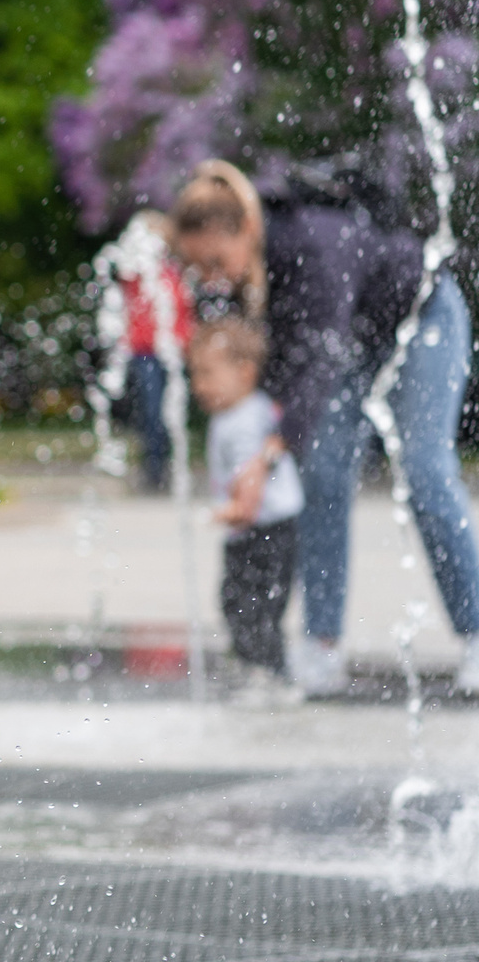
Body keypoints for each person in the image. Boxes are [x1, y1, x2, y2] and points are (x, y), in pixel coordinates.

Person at [171, 160, 479, 698]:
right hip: (356, 340)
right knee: (322, 477)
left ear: (246, 228)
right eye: (200, 268)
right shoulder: (249, 272)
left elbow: (317, 358)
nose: (213, 278)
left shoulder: (309, 244)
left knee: (424, 473)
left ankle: (475, 630)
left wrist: (268, 453)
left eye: (217, 261)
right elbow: (279, 367)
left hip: (422, 316)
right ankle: (322, 644)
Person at [189, 315, 302, 687]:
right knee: (241, 603)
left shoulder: (244, 420)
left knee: (255, 606)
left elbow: (248, 493)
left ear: (245, 373)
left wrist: (223, 513)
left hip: (267, 531)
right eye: (195, 374)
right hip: (258, 531)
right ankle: (257, 669)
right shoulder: (241, 412)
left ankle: (270, 676)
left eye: (208, 374)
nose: (198, 385)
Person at [117, 217, 192, 493]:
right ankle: (153, 468)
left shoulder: (175, 273)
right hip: (144, 352)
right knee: (151, 412)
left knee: (169, 413)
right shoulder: (138, 273)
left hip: (171, 352)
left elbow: (184, 311)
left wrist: (186, 341)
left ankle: (164, 466)